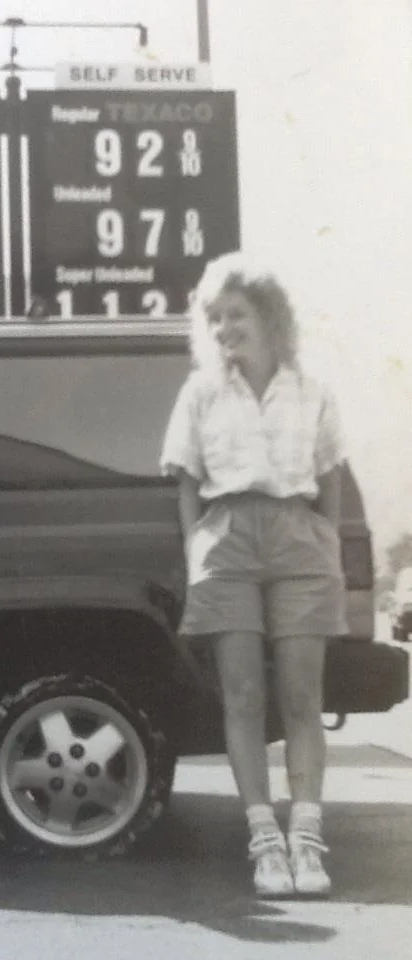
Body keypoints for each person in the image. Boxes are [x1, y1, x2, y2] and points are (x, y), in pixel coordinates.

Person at [160, 252, 346, 899]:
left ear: (268, 314)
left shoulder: (312, 390)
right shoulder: (201, 392)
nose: (222, 329)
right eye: (212, 319)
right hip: (226, 540)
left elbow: (330, 483)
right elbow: (186, 485)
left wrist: (323, 542)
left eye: (235, 314)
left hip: (299, 539)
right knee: (242, 697)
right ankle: (264, 840)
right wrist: (197, 552)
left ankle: (307, 839)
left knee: (301, 698)